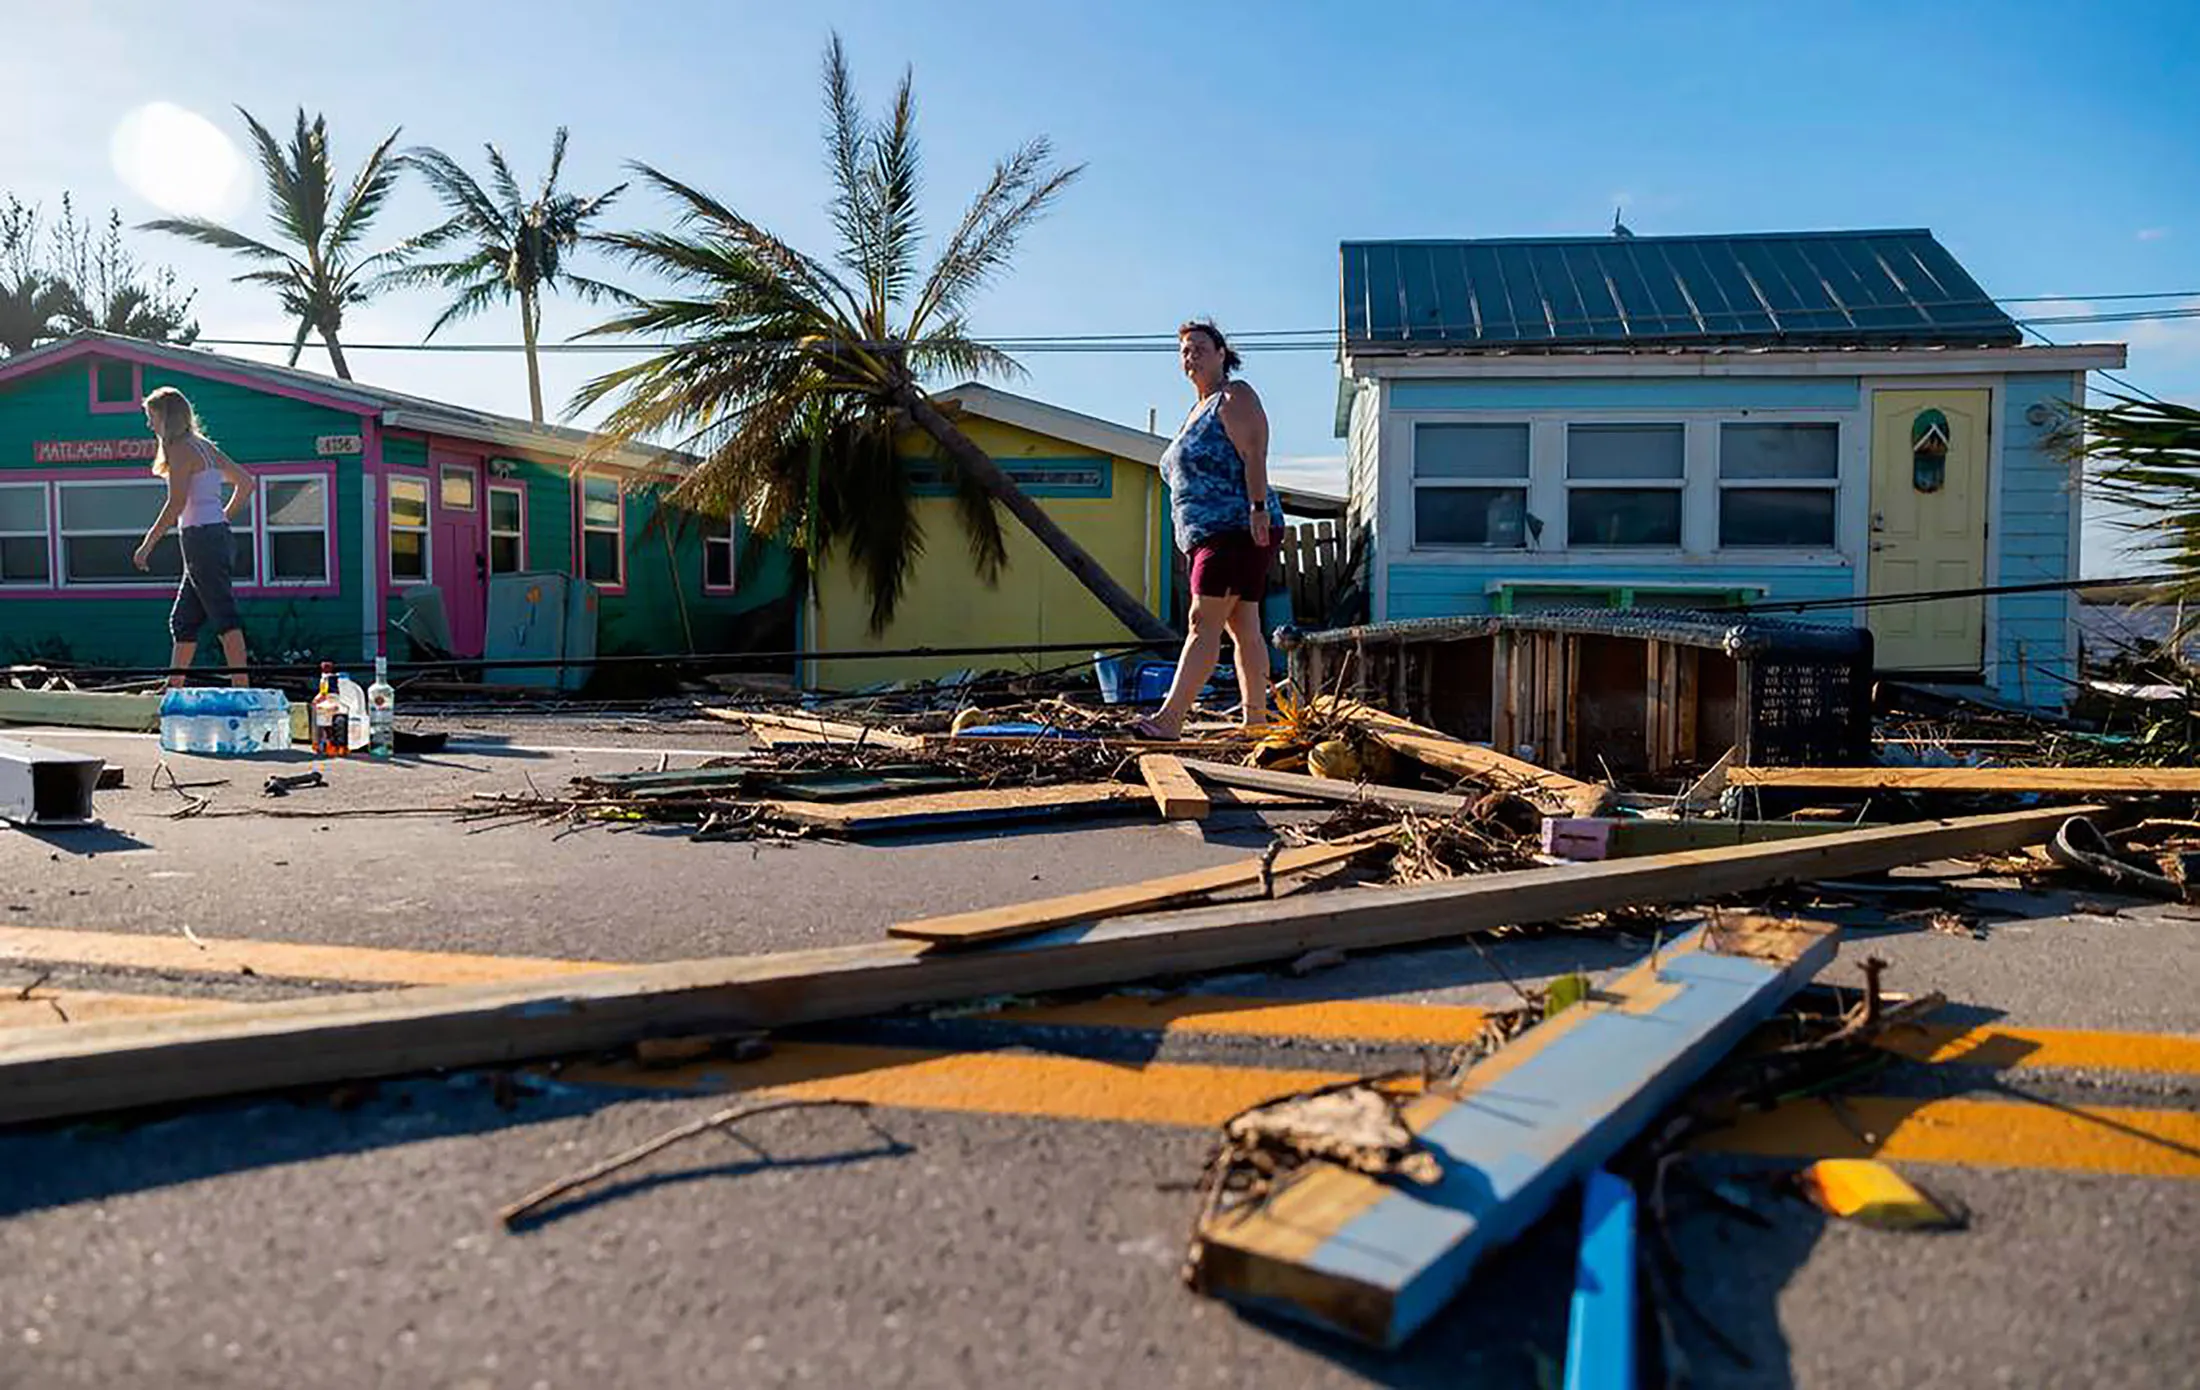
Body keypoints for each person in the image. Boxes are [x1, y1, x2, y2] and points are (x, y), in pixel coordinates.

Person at [1133, 319, 1287, 739]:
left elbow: (1254, 452)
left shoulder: (1233, 396)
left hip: (1236, 526)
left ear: (1222, 353)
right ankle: (1256, 722)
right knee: (1244, 626)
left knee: (1203, 621)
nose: (1191, 355)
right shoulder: (1195, 411)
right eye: (1185, 350)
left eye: (1200, 347)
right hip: (1209, 533)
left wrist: (1257, 509)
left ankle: (1170, 719)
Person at [132, 386, 254, 688]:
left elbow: (176, 503)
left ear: (166, 417)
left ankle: (242, 689)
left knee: (224, 615)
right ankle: (173, 688)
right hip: (214, 537)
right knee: (183, 619)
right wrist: (222, 516)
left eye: (152, 417)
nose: (150, 425)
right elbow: (246, 482)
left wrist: (147, 545)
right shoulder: (204, 446)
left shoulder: (181, 448)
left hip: (202, 540)